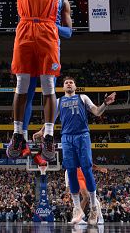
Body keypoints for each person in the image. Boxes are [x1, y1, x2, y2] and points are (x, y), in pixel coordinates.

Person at [8, 0, 64, 162]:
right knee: (21, 84)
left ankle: (50, 134)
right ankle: (18, 133)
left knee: (48, 86)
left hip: (46, 30)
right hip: (26, 28)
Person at [34, 77, 116, 225]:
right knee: (71, 170)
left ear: (75, 86)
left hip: (82, 135)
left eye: (71, 82)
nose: (69, 84)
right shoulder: (58, 101)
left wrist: (105, 104)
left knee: (86, 169)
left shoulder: (83, 97)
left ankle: (93, 207)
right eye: (66, 83)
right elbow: (50, 121)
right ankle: (77, 208)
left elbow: (97, 112)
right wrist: (41, 131)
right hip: (66, 137)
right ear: (63, 87)